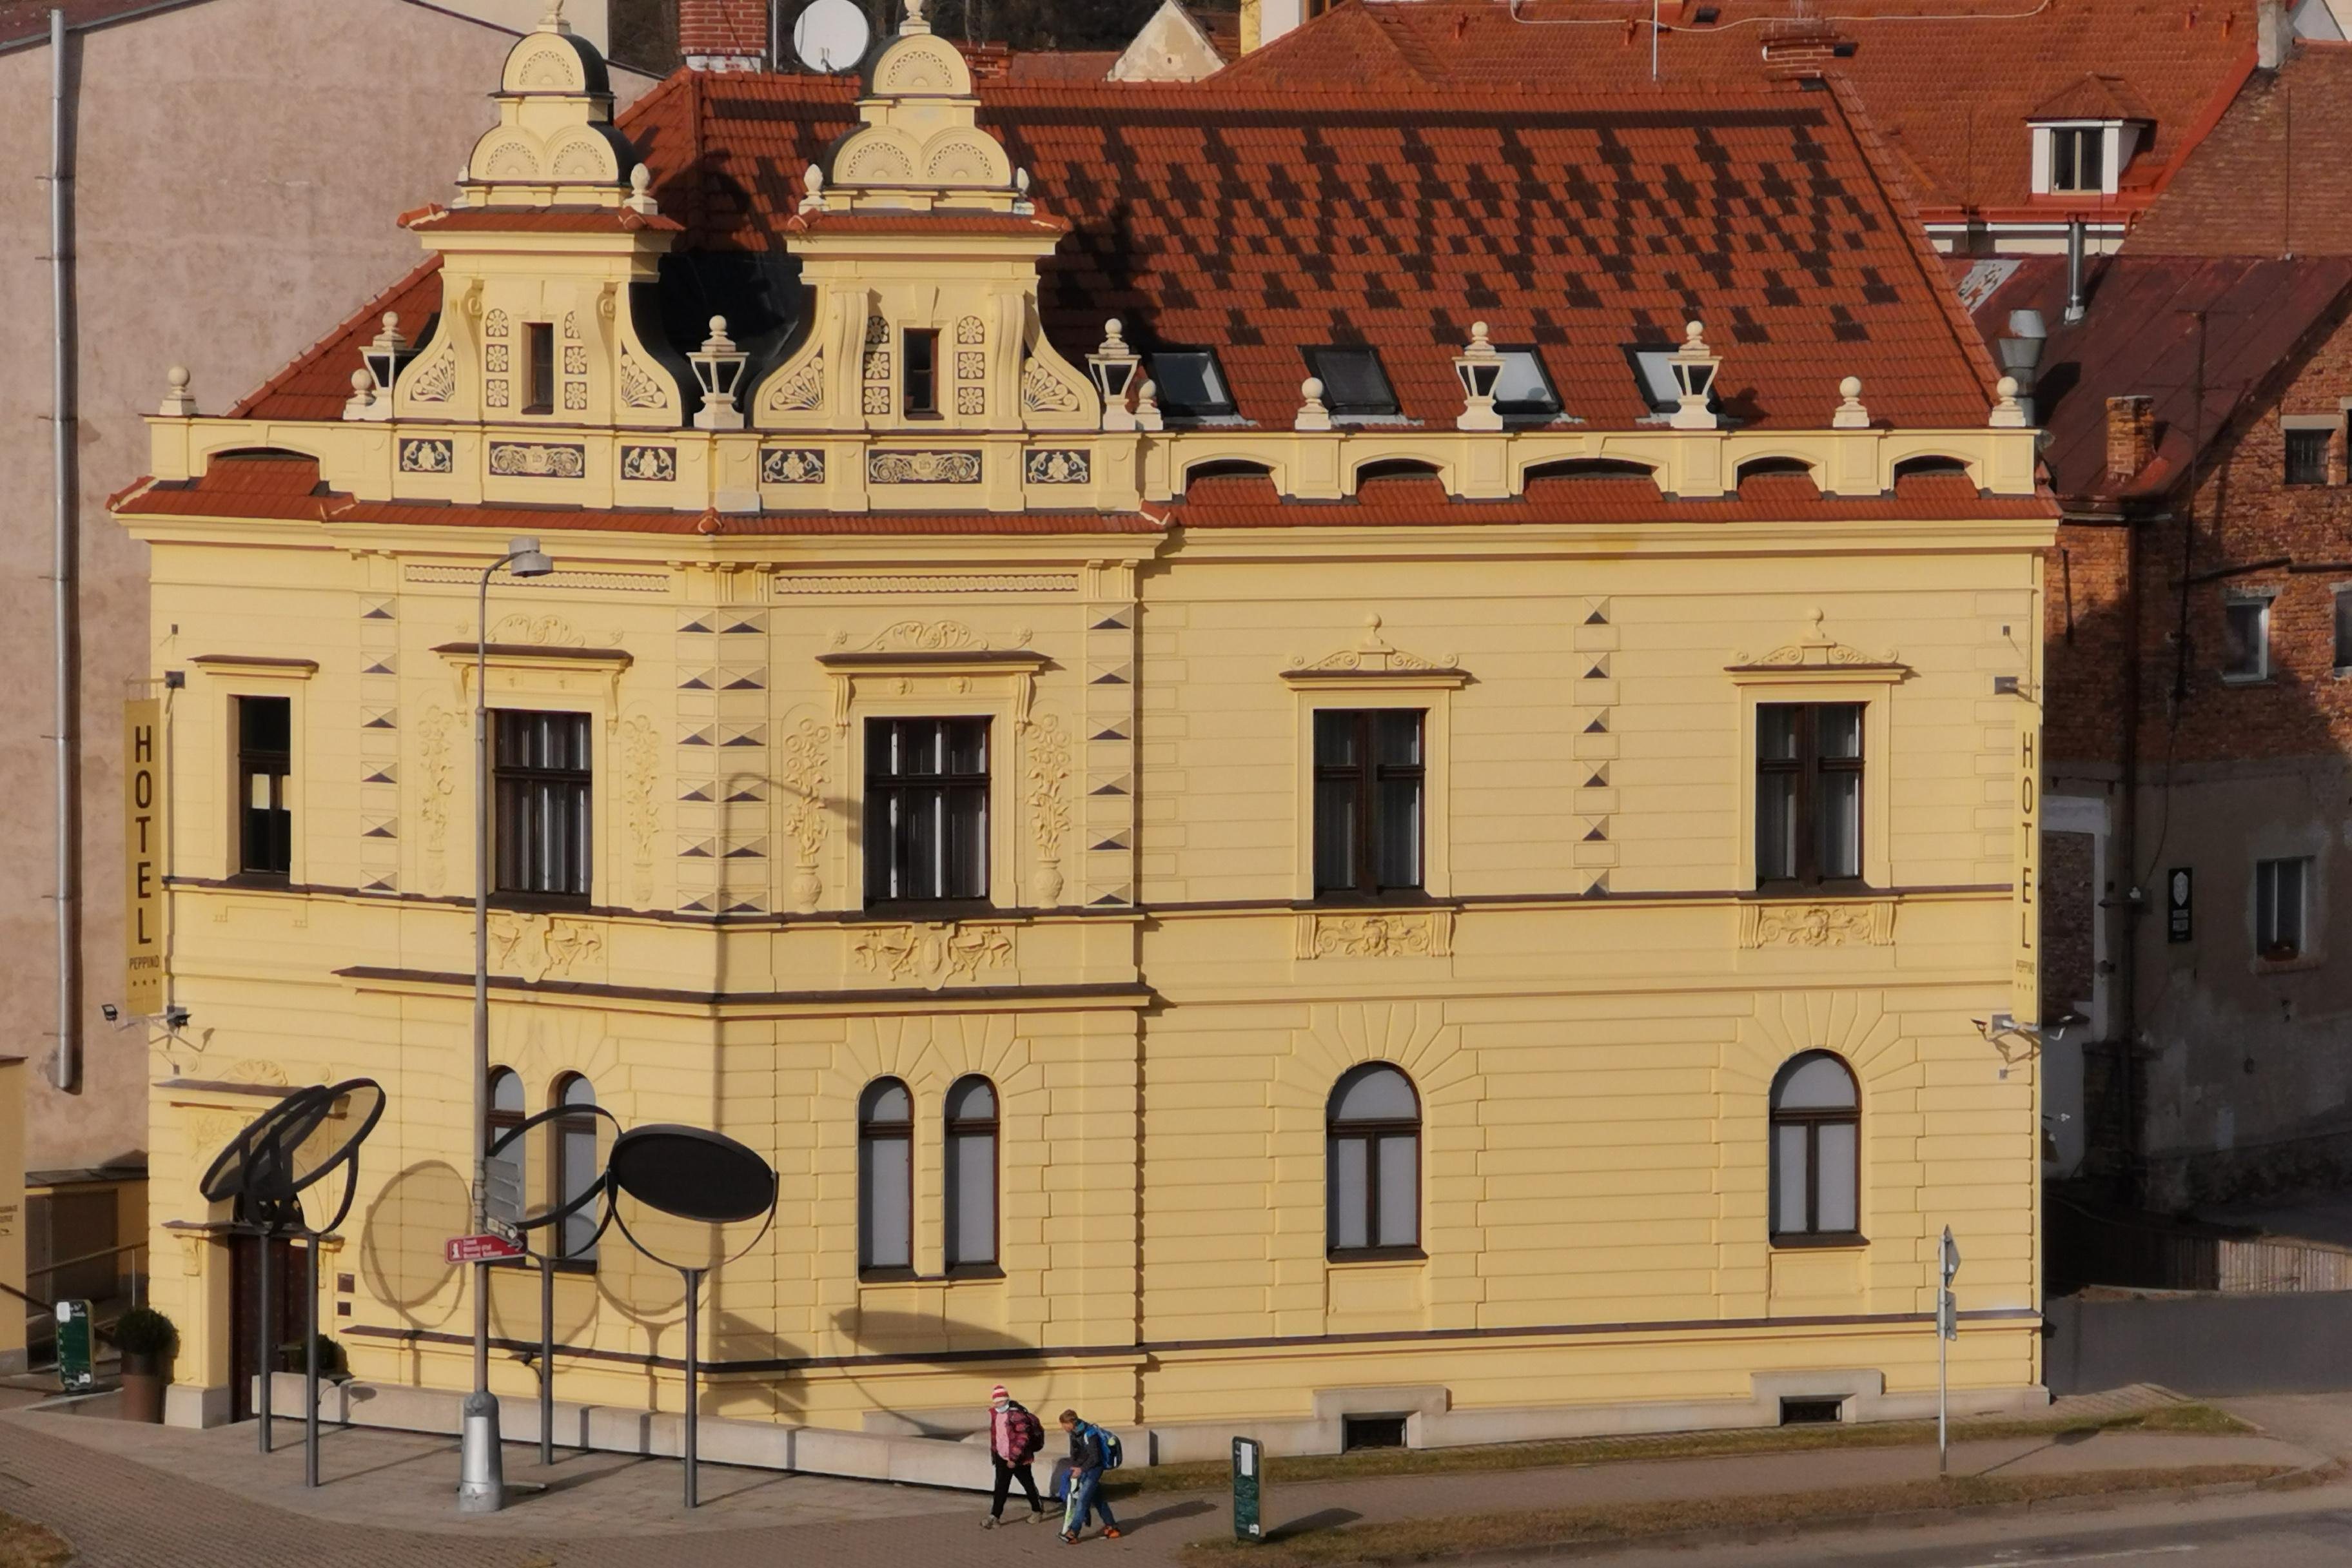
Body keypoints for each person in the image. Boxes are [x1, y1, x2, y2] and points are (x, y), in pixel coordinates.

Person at [983, 1383, 1047, 1527]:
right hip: (1001, 1456)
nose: (999, 1405)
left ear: (1007, 1400)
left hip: (1019, 1458)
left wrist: (1014, 1458)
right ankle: (995, 1516)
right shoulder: (994, 1414)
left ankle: (1037, 1510)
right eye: (996, 1402)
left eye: (1001, 1401)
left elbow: (1023, 1438)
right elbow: (997, 1435)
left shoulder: (1016, 1415)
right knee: (1000, 1487)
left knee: (1028, 1485)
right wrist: (997, 1454)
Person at [1057, 1409, 1121, 1543]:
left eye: (1063, 1424)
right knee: (1097, 1499)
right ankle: (1112, 1527)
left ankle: (1073, 1533)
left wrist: (1081, 1469)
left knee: (1082, 1499)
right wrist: (1074, 1466)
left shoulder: (1090, 1434)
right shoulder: (1073, 1433)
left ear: (1070, 1423)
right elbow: (1074, 1452)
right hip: (1084, 1467)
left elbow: (1095, 1458)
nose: (1062, 1427)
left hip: (1095, 1469)